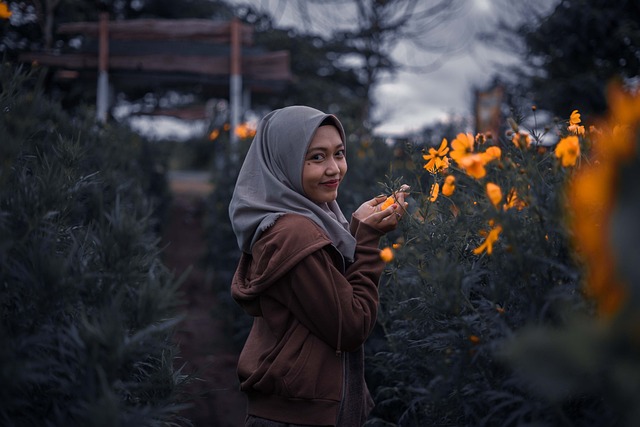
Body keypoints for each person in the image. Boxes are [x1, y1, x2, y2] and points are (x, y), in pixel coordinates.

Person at [228, 105, 408, 426]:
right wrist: (367, 240)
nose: (334, 169)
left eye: (338, 154)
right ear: (282, 163)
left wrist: (354, 230)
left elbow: (326, 294)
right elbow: (349, 326)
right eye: (316, 158)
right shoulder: (295, 232)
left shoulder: (292, 221)